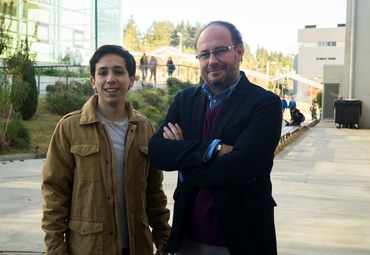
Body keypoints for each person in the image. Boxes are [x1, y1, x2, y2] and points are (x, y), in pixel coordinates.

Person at [148, 21, 281, 255]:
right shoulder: (184, 100)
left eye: (220, 50)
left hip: (242, 240)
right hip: (187, 238)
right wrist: (214, 148)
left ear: (239, 52)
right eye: (204, 54)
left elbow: (242, 169)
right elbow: (157, 151)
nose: (212, 61)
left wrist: (184, 162)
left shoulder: (264, 103)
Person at [41, 45, 171, 255]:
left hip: (138, 247)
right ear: (93, 81)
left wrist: (163, 235)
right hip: (89, 248)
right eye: (103, 72)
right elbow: (54, 194)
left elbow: (154, 191)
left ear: (131, 80)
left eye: (119, 72)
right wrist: (56, 249)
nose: (110, 79)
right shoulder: (69, 128)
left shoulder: (145, 128)